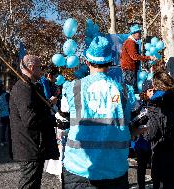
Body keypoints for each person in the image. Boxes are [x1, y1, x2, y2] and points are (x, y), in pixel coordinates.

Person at [62, 36, 136, 189]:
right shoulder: (125, 91)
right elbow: (140, 121)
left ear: (87, 62)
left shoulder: (71, 88)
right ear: (110, 63)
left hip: (78, 169)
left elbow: (62, 124)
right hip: (115, 169)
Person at [9, 55, 60, 189]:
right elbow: (30, 120)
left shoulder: (30, 86)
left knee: (34, 183)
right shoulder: (23, 88)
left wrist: (48, 103)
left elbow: (35, 109)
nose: (42, 71)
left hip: (34, 146)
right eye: (40, 67)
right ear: (31, 68)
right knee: (29, 185)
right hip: (29, 147)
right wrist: (53, 120)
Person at [130, 80, 153, 189]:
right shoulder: (139, 105)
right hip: (141, 141)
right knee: (142, 167)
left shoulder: (156, 103)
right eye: (150, 90)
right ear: (145, 91)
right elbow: (133, 122)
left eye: (153, 90)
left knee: (154, 166)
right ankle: (141, 186)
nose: (152, 92)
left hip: (152, 141)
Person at [120, 24, 156, 92]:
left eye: (140, 33)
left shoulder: (131, 42)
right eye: (138, 33)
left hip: (129, 69)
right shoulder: (130, 42)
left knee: (130, 89)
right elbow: (134, 56)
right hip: (129, 70)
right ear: (133, 33)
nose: (140, 34)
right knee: (130, 90)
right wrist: (149, 58)